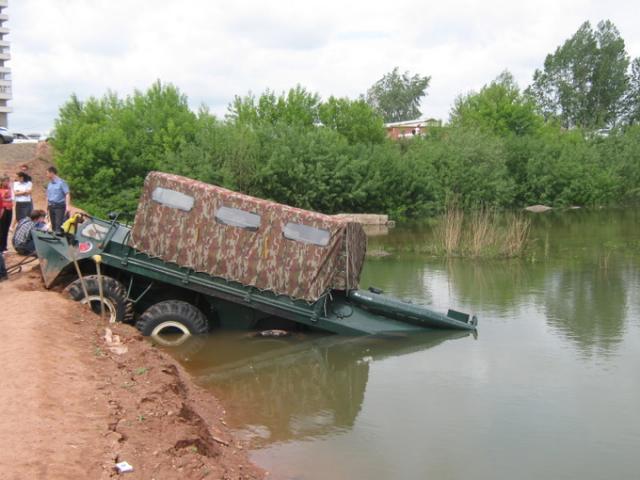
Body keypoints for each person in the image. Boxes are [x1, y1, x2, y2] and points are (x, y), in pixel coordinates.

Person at [46, 166, 70, 232]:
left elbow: (67, 194)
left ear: (52, 173)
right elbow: (48, 195)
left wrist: (68, 206)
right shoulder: (49, 184)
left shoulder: (62, 182)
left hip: (59, 206)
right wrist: (47, 206)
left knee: (58, 225)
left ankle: (59, 239)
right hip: (51, 206)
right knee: (53, 224)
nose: (46, 175)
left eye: (47, 173)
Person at [0, 175, 13, 252]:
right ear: (1, 181)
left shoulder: (9, 189)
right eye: (5, 181)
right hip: (3, 210)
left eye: (8, 181)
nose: (7, 183)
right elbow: (2, 199)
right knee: (2, 228)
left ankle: (4, 245)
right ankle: (1, 246)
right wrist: (5, 198)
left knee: (6, 228)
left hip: (9, 209)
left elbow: (11, 198)